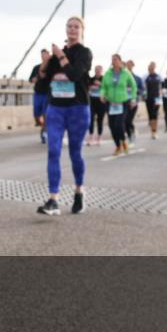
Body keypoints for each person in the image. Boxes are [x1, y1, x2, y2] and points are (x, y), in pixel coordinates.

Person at [36, 16, 93, 216]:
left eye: (76, 26)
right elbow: (42, 82)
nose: (72, 29)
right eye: (69, 26)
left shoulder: (84, 53)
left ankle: (79, 191)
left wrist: (60, 56)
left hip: (77, 108)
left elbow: (74, 74)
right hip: (56, 108)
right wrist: (44, 65)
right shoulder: (57, 53)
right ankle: (53, 199)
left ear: (82, 31)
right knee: (53, 151)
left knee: (75, 153)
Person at [100, 54, 137, 156]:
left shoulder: (126, 73)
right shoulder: (108, 74)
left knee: (119, 124)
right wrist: (102, 94)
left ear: (120, 61)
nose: (114, 61)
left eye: (116, 59)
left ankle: (124, 141)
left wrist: (133, 98)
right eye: (112, 60)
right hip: (111, 103)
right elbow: (103, 87)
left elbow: (133, 86)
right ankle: (118, 146)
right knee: (111, 126)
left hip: (123, 102)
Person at [29, 48, 51, 144]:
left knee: (46, 115)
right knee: (36, 115)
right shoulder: (36, 67)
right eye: (42, 55)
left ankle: (44, 132)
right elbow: (30, 79)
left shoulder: (51, 67)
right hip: (38, 94)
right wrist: (33, 79)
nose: (44, 56)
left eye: (45, 54)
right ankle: (43, 127)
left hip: (47, 94)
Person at [144, 61, 162, 140]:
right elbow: (143, 87)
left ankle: (154, 131)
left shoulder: (159, 76)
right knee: (150, 115)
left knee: (155, 114)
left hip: (157, 98)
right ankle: (152, 131)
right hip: (149, 98)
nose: (151, 68)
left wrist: (161, 95)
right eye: (150, 67)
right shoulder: (145, 77)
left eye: (152, 67)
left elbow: (161, 87)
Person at [88, 64, 106, 146]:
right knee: (91, 118)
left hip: (101, 102)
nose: (97, 71)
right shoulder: (91, 79)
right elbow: (87, 88)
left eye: (99, 69)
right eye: (96, 69)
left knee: (100, 119)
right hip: (92, 101)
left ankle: (99, 136)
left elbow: (107, 88)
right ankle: (91, 136)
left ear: (101, 70)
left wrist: (100, 84)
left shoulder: (104, 79)